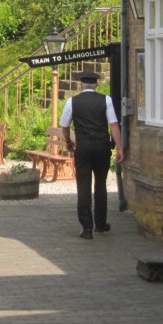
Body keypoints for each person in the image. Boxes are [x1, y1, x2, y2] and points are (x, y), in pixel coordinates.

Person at [59, 70, 123, 239]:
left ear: (81, 85)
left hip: (84, 149)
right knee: (101, 185)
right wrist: (120, 148)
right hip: (102, 148)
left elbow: (64, 126)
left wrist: (68, 142)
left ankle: (87, 228)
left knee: (83, 187)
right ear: (96, 85)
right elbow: (114, 125)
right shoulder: (106, 100)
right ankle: (101, 224)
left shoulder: (72, 102)